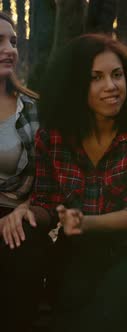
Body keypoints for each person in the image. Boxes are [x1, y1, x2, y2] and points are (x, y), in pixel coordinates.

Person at [29, 34, 127, 332]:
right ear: (74, 85)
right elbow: (44, 200)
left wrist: (83, 223)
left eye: (117, 75)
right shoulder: (53, 136)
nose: (111, 86)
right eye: (96, 78)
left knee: (109, 315)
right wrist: (26, 212)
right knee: (62, 317)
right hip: (82, 251)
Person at [0, 11, 49, 331]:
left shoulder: (33, 108)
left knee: (21, 248)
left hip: (19, 214)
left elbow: (50, 178)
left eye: (13, 42)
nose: (9, 49)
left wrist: (25, 208)